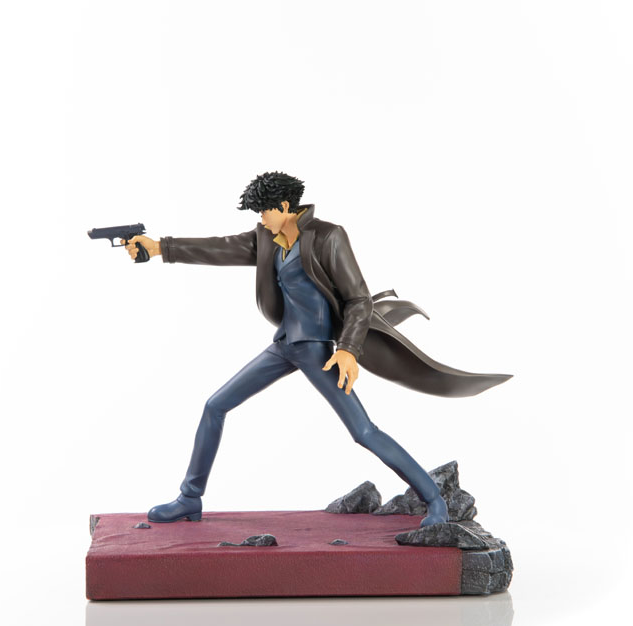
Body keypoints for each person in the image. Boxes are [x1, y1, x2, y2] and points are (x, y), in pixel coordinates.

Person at [124, 172, 510, 527]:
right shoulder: (267, 238)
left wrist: (348, 350)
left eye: (264, 211)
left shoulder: (327, 236)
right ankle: (189, 498)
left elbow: (358, 299)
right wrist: (159, 247)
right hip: (284, 346)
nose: (261, 219)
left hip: (318, 351)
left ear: (285, 207)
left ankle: (435, 501)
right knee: (215, 405)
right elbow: (220, 248)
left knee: (363, 431)